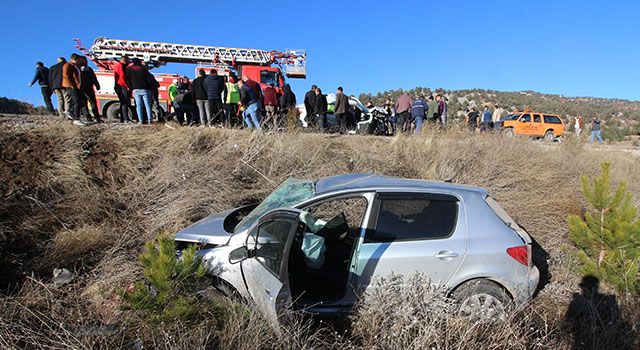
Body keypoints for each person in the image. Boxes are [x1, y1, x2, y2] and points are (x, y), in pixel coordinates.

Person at [126, 58, 155, 125]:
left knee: (139, 105)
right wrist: (149, 87)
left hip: (135, 89)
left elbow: (128, 80)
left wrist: (131, 88)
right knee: (147, 105)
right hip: (145, 89)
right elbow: (148, 79)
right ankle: (150, 120)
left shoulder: (129, 69)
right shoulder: (143, 69)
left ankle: (141, 120)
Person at [77, 57, 102, 122]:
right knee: (91, 103)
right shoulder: (87, 69)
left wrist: (97, 85)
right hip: (86, 88)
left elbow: (94, 77)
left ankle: (89, 117)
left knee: (85, 103)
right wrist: (97, 85)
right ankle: (95, 117)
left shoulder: (78, 68)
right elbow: (94, 78)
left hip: (83, 88)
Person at [62, 54, 84, 125]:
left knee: (79, 101)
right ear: (75, 59)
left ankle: (70, 111)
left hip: (76, 86)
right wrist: (72, 85)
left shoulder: (75, 66)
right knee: (77, 101)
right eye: (79, 60)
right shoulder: (68, 65)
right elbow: (66, 76)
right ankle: (76, 118)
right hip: (71, 87)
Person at [113, 56, 132, 123]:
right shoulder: (120, 66)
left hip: (119, 86)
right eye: (128, 60)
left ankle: (122, 119)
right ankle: (126, 119)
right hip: (121, 86)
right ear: (124, 60)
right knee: (124, 102)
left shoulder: (117, 65)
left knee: (122, 102)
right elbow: (122, 76)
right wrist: (127, 86)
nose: (128, 62)